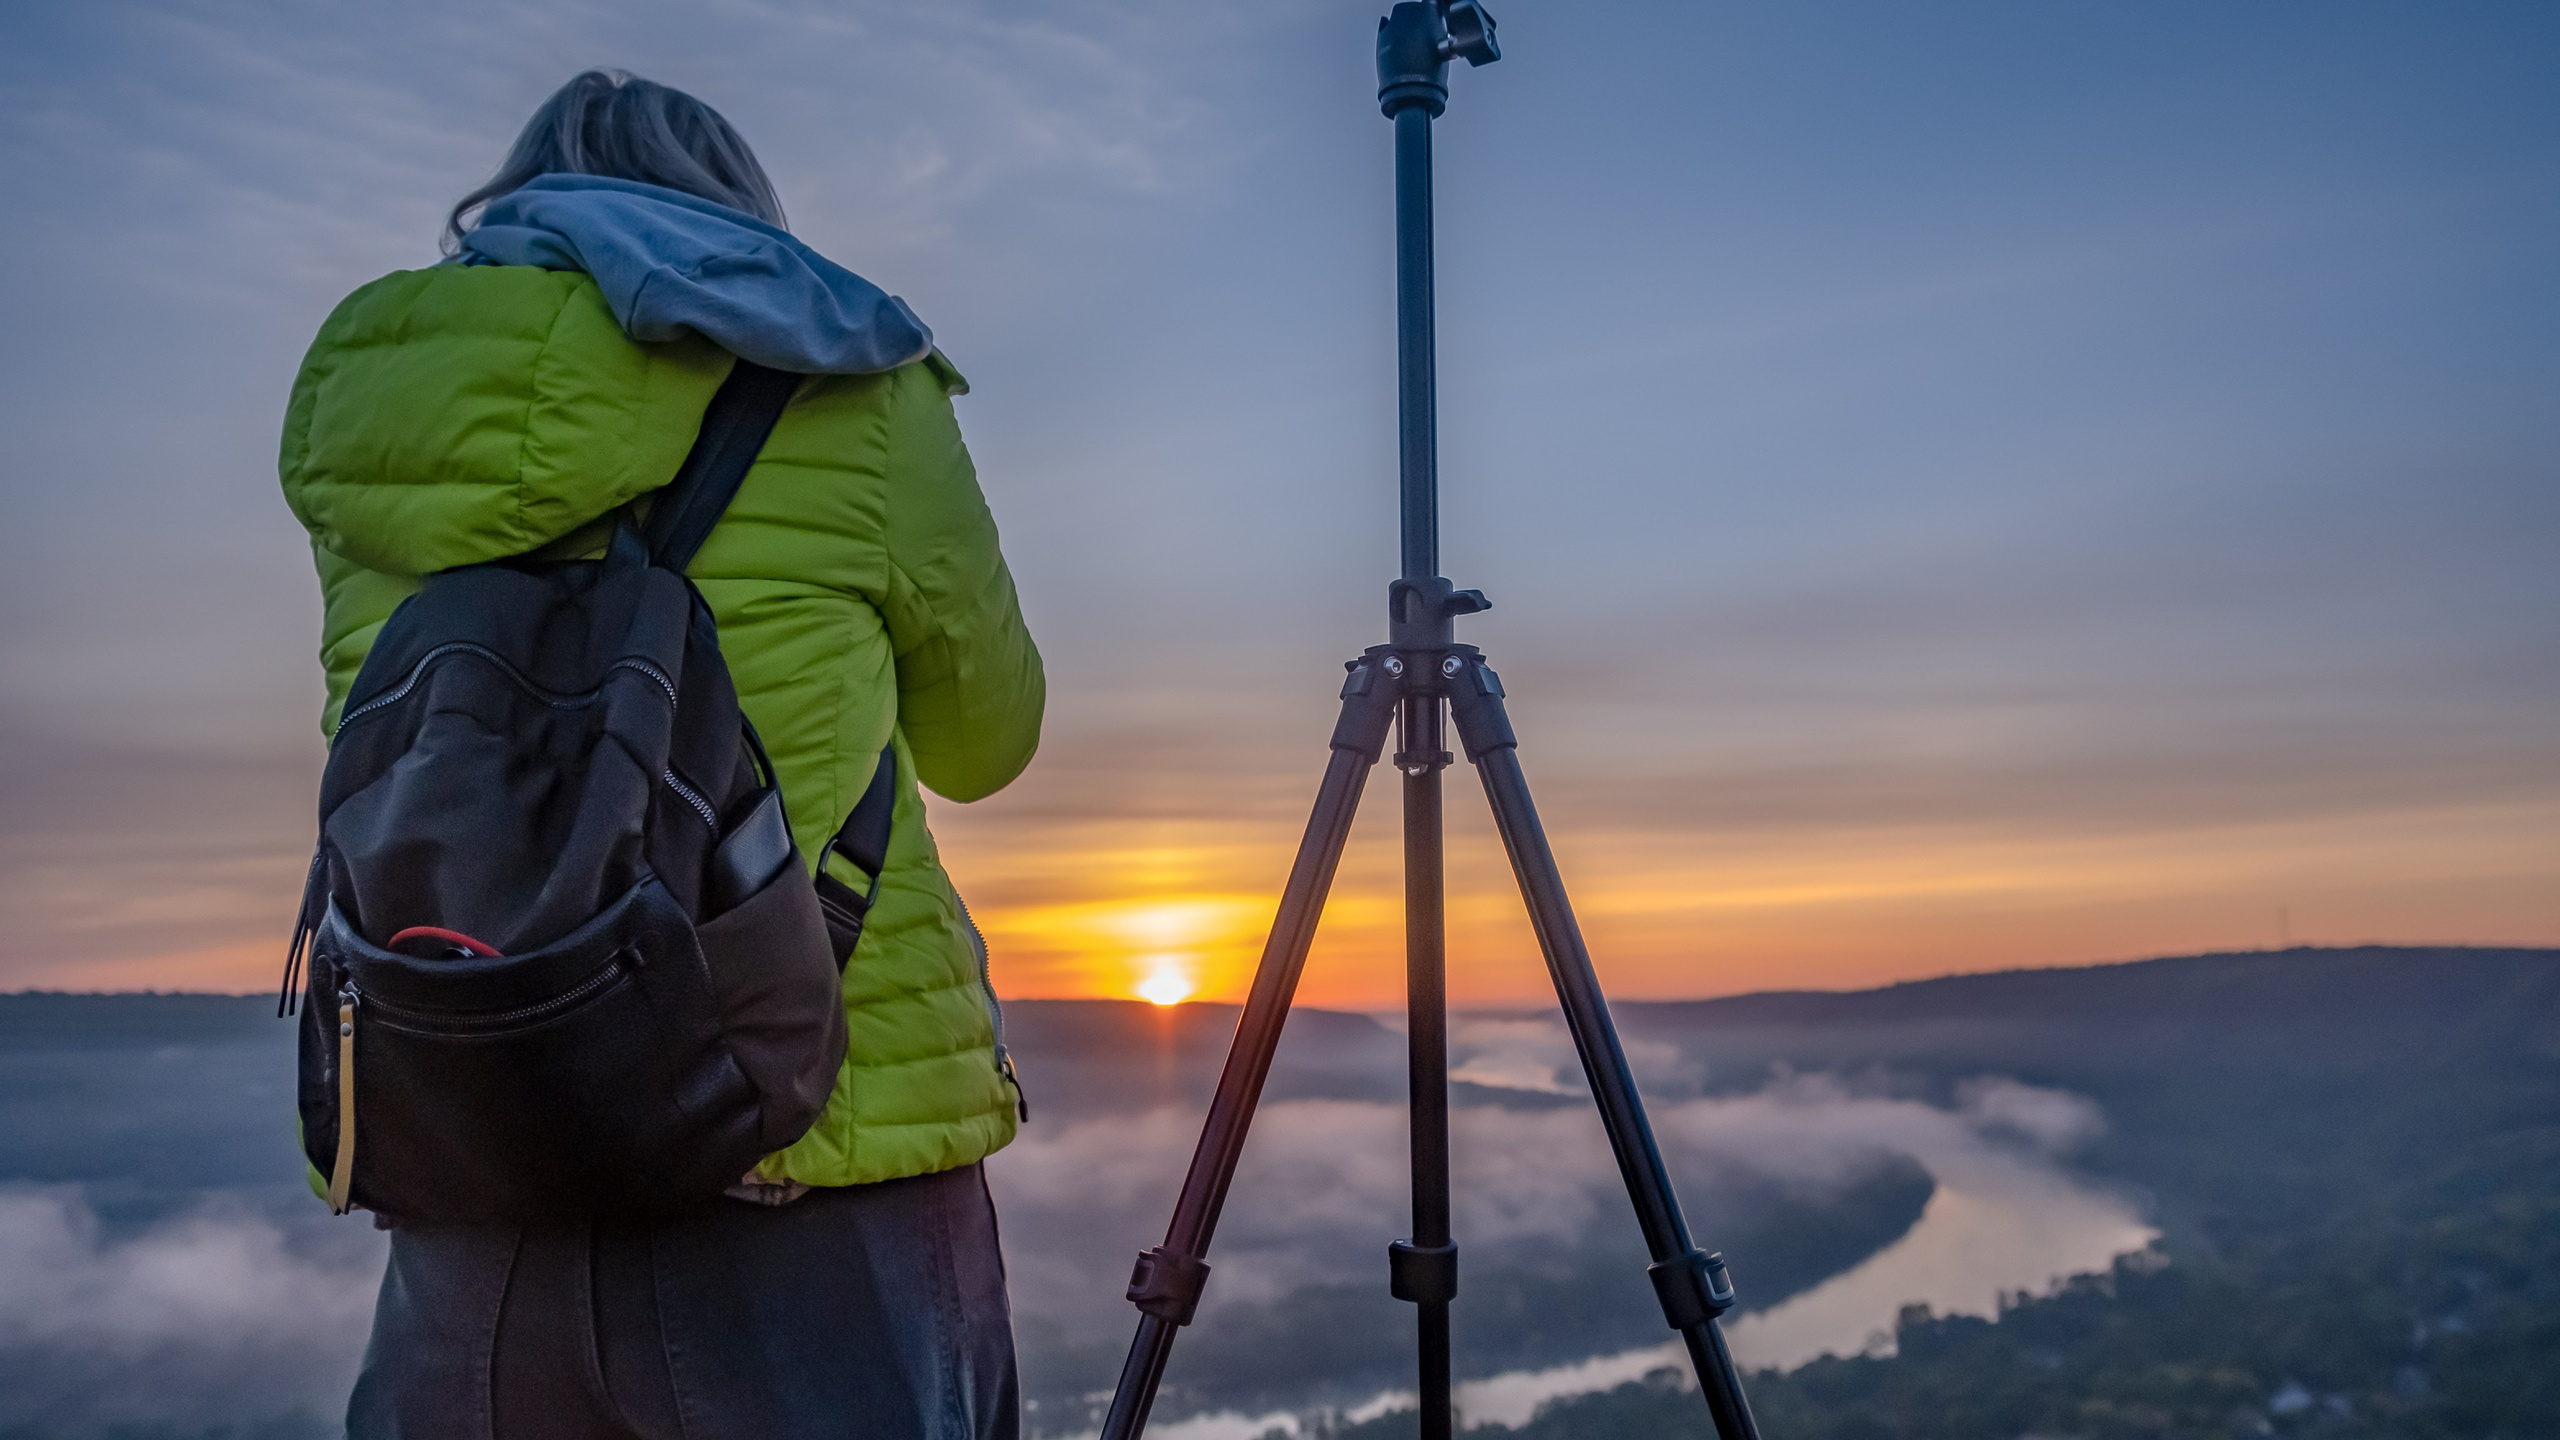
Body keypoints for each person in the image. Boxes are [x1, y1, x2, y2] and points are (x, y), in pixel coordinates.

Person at [277, 69, 1043, 1439]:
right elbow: (990, 741)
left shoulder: (377, 424)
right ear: (743, 221)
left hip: (475, 1151)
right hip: (807, 1151)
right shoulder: (856, 395)